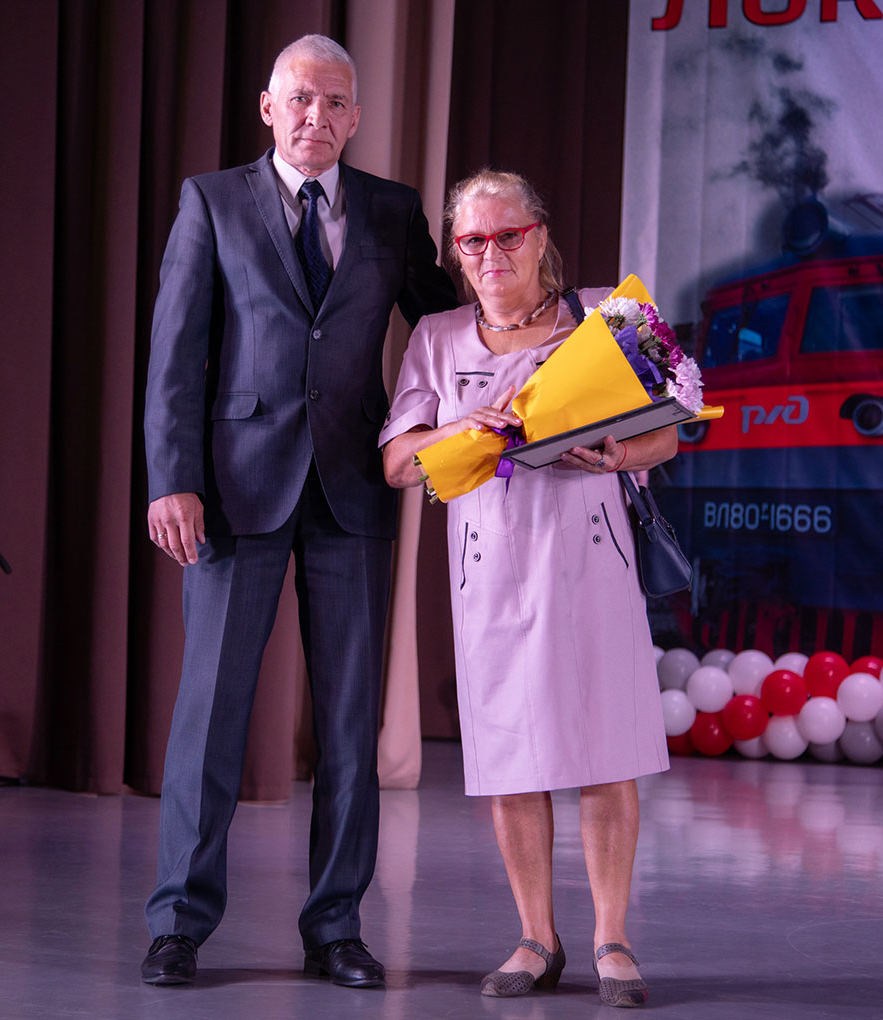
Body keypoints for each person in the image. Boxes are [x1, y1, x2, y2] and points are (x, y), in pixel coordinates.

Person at [140, 34, 457, 989]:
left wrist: (540, 341)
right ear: (270, 109)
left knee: (350, 724)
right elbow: (175, 351)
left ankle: (335, 929)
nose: (316, 116)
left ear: (355, 118)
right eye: (301, 99)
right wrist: (171, 476)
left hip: (353, 490)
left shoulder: (393, 210)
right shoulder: (211, 201)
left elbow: (445, 327)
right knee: (211, 715)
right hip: (232, 492)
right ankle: (178, 924)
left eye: (335, 102)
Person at [380, 169, 674, 1009]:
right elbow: (397, 463)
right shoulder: (435, 335)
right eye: (473, 240)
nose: (492, 253)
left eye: (508, 235)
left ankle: (612, 939)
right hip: (491, 569)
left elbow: (670, 433)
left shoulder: (609, 314)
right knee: (512, 756)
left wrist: (618, 454)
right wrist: (456, 429)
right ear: (455, 252)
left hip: (592, 557)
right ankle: (535, 938)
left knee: (607, 750)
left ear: (540, 235)